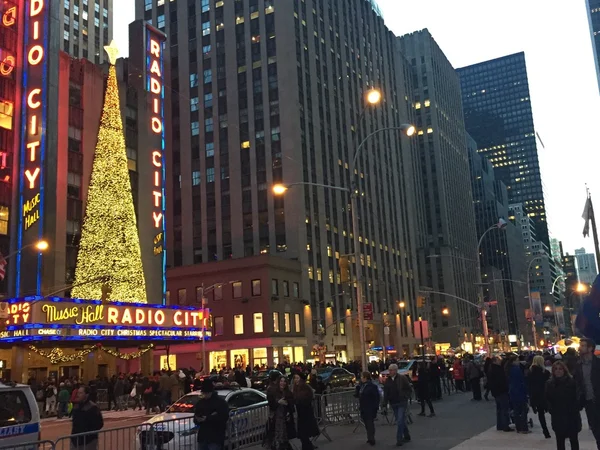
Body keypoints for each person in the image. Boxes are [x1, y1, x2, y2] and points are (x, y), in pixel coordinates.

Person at [546, 361, 581, 450]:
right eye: (556, 369)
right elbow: (547, 398)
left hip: (571, 416)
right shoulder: (549, 384)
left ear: (564, 370)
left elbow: (578, 397)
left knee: (574, 441)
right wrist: (551, 409)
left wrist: (576, 408)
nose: (558, 371)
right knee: (560, 441)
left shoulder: (572, 382)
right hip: (558, 416)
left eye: (560, 369)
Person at [575, 337, 600, 450]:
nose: (580, 348)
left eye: (583, 346)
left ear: (590, 348)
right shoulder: (579, 365)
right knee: (595, 429)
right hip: (589, 402)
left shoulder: (598, 363)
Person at [193, 379, 229, 450]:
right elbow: (196, 417)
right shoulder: (200, 403)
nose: (205, 395)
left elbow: (223, 417)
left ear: (211, 392)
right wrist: (198, 419)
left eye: (206, 393)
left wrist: (207, 418)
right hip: (203, 437)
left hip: (215, 437)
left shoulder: (220, 403)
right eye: (204, 393)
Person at [383, 363, 412, 447]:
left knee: (399, 420)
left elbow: (409, 389)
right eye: (389, 370)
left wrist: (405, 396)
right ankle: (407, 435)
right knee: (401, 420)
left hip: (401, 402)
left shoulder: (402, 378)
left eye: (391, 370)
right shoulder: (388, 380)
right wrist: (384, 403)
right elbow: (386, 393)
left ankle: (399, 439)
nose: (390, 371)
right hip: (393, 402)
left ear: (395, 370)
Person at [264, 376, 295, 450]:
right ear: (279, 382)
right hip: (275, 420)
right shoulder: (274, 392)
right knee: (276, 440)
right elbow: (271, 405)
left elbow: (292, 407)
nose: (283, 383)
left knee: (284, 440)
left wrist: (287, 404)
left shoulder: (288, 393)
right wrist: (278, 402)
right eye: (281, 381)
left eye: (284, 381)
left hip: (286, 420)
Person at [71, 386, 104, 450]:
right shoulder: (76, 406)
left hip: (89, 441)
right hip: (75, 440)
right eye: (78, 393)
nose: (78, 395)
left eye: (80, 393)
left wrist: (89, 433)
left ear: (86, 394)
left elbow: (99, 423)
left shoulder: (93, 407)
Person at [292, 373, 319, 450]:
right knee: (303, 434)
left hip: (306, 412)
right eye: (295, 378)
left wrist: (295, 399)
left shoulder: (304, 387)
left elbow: (304, 398)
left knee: (304, 433)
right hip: (300, 413)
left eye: (297, 378)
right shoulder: (295, 387)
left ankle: (308, 447)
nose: (295, 380)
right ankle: (307, 446)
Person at [528, 355, 551, 438]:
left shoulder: (530, 372)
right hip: (546, 395)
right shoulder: (545, 372)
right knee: (553, 412)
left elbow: (529, 386)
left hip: (536, 395)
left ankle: (545, 431)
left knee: (541, 414)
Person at [487, 356, 512, 432]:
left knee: (499, 409)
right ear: (495, 361)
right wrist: (506, 388)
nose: (500, 361)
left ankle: (500, 425)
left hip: (496, 391)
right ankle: (505, 425)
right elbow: (501, 381)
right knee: (504, 409)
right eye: (499, 360)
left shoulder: (491, 369)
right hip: (501, 391)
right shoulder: (498, 370)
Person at [355, 371, 380, 446]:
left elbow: (376, 397)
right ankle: (369, 437)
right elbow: (358, 395)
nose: (361, 378)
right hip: (363, 407)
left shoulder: (372, 386)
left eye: (362, 377)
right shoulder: (361, 386)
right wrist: (357, 388)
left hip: (370, 407)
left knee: (369, 423)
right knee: (366, 423)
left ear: (365, 377)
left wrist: (376, 407)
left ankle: (371, 438)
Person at [507, 355, 530, 434]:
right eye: (517, 360)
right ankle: (524, 427)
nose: (518, 362)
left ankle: (518, 427)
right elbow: (521, 381)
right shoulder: (516, 370)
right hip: (519, 392)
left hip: (513, 392)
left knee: (516, 411)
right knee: (523, 410)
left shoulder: (509, 369)